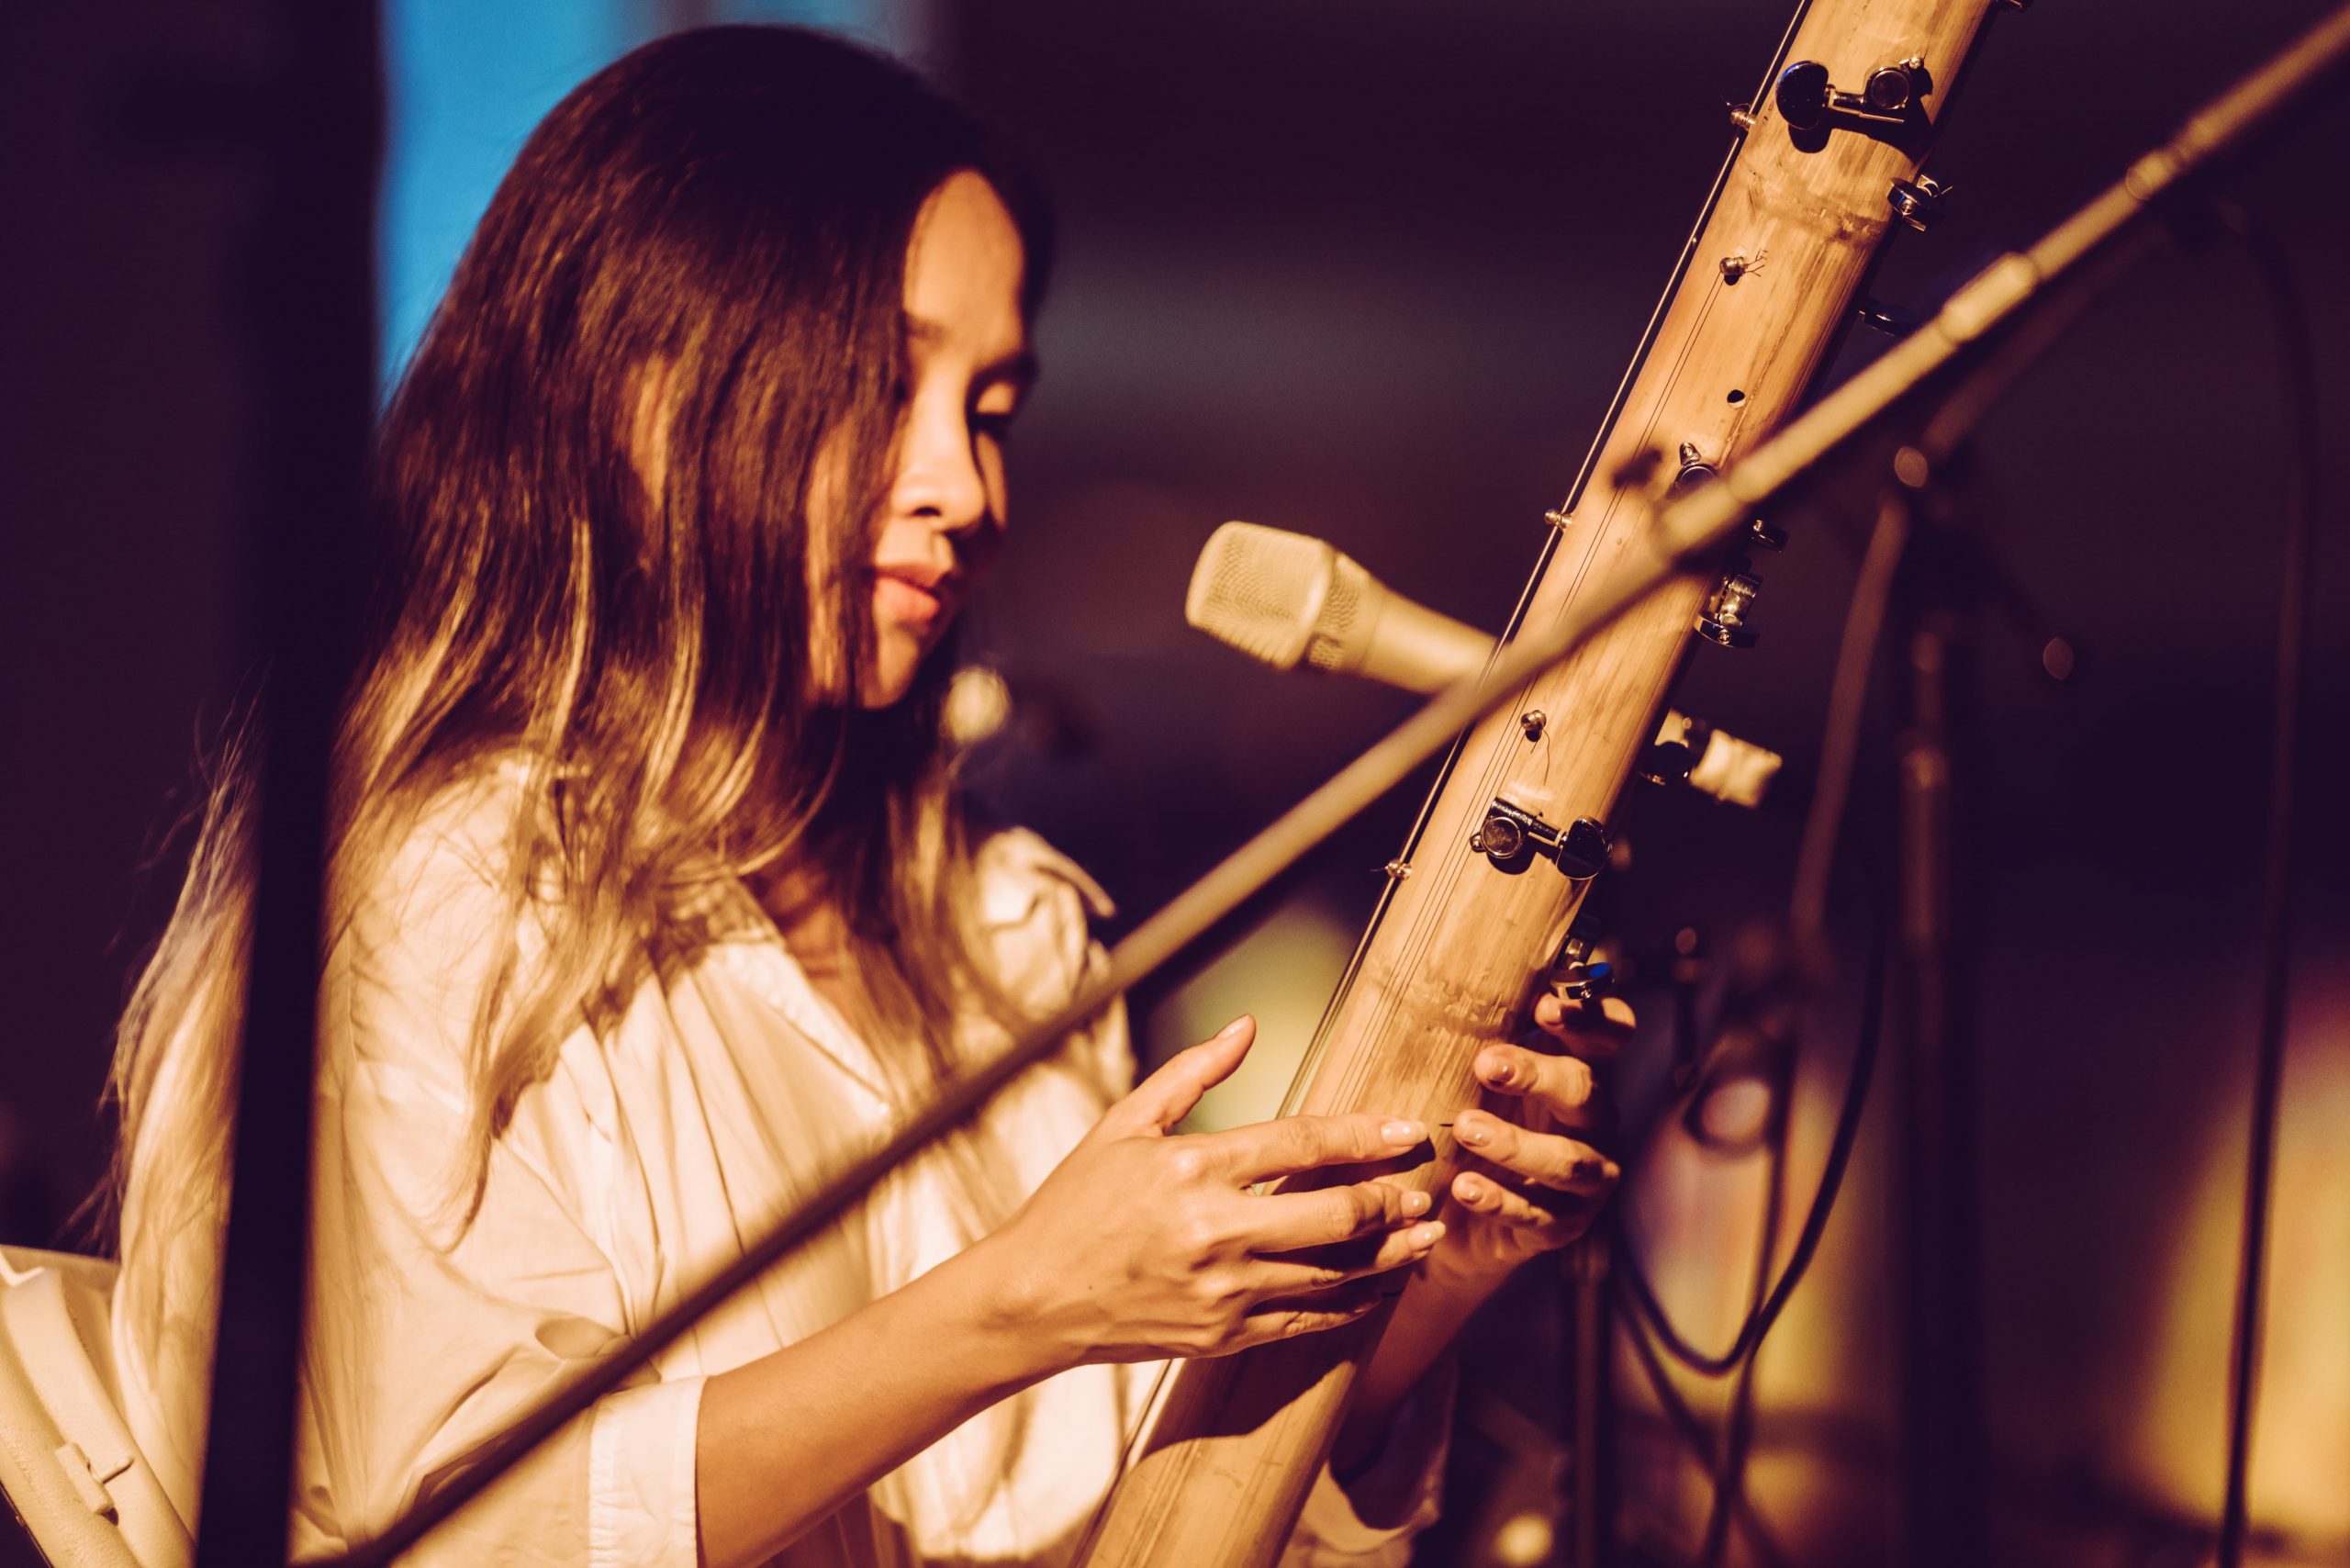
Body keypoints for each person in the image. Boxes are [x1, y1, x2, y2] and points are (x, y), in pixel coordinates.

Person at [105, 27, 1624, 1568]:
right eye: (889, 385)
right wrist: (1018, 1306)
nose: (968, 489)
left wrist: (1436, 1276)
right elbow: (466, 1531)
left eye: (992, 409)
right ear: (644, 391)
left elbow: (1151, 1517)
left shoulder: (1001, 931)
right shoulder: (436, 906)